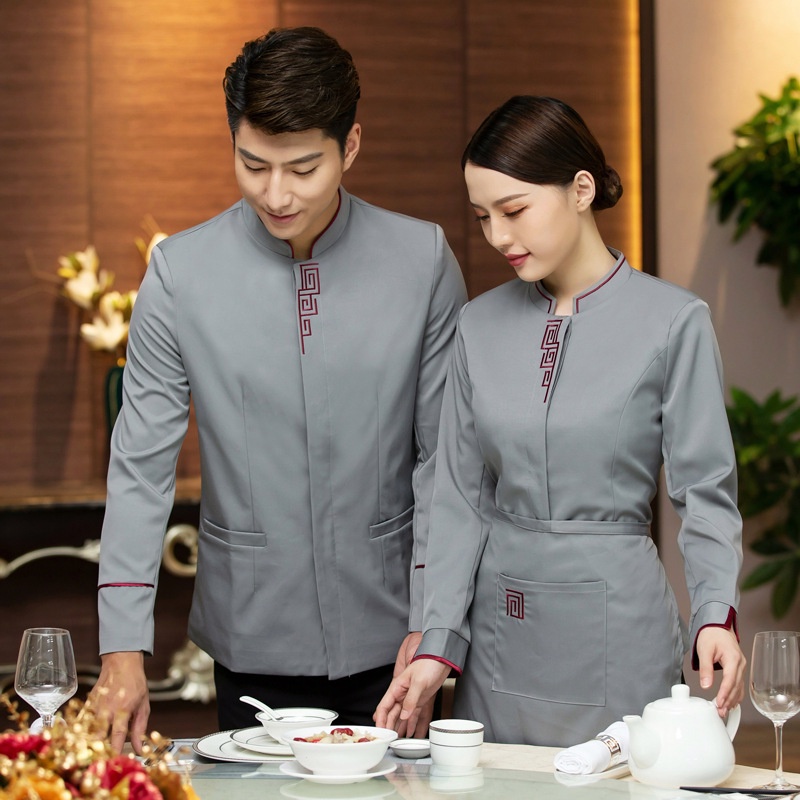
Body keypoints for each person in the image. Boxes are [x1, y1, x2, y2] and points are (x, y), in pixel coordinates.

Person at [90, 26, 467, 752]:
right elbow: (140, 467)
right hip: (251, 632)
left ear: (349, 147)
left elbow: (445, 463)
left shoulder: (421, 262)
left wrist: (435, 624)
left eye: (303, 168)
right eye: (253, 164)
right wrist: (122, 649)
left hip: (396, 636)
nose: (276, 193)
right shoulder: (180, 274)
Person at [374, 96, 746, 746]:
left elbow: (705, 491)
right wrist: (438, 642)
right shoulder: (477, 325)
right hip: (502, 634)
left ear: (580, 190)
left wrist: (714, 612)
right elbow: (456, 497)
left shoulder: (674, 322)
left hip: (622, 630)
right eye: (483, 216)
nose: (498, 236)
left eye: (514, 210)